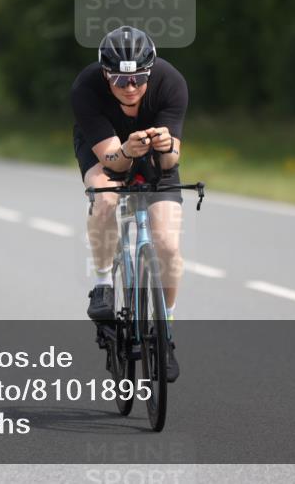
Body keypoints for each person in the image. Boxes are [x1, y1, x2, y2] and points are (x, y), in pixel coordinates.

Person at [71, 26, 188, 381]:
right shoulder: (86, 88)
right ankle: (104, 282)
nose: (131, 87)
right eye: (121, 81)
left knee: (167, 243)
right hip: (107, 151)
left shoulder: (171, 83)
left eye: (138, 78)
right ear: (106, 74)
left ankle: (165, 331)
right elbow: (111, 161)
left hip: (154, 154)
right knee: (105, 198)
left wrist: (166, 146)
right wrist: (125, 151)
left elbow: (170, 165)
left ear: (150, 71)